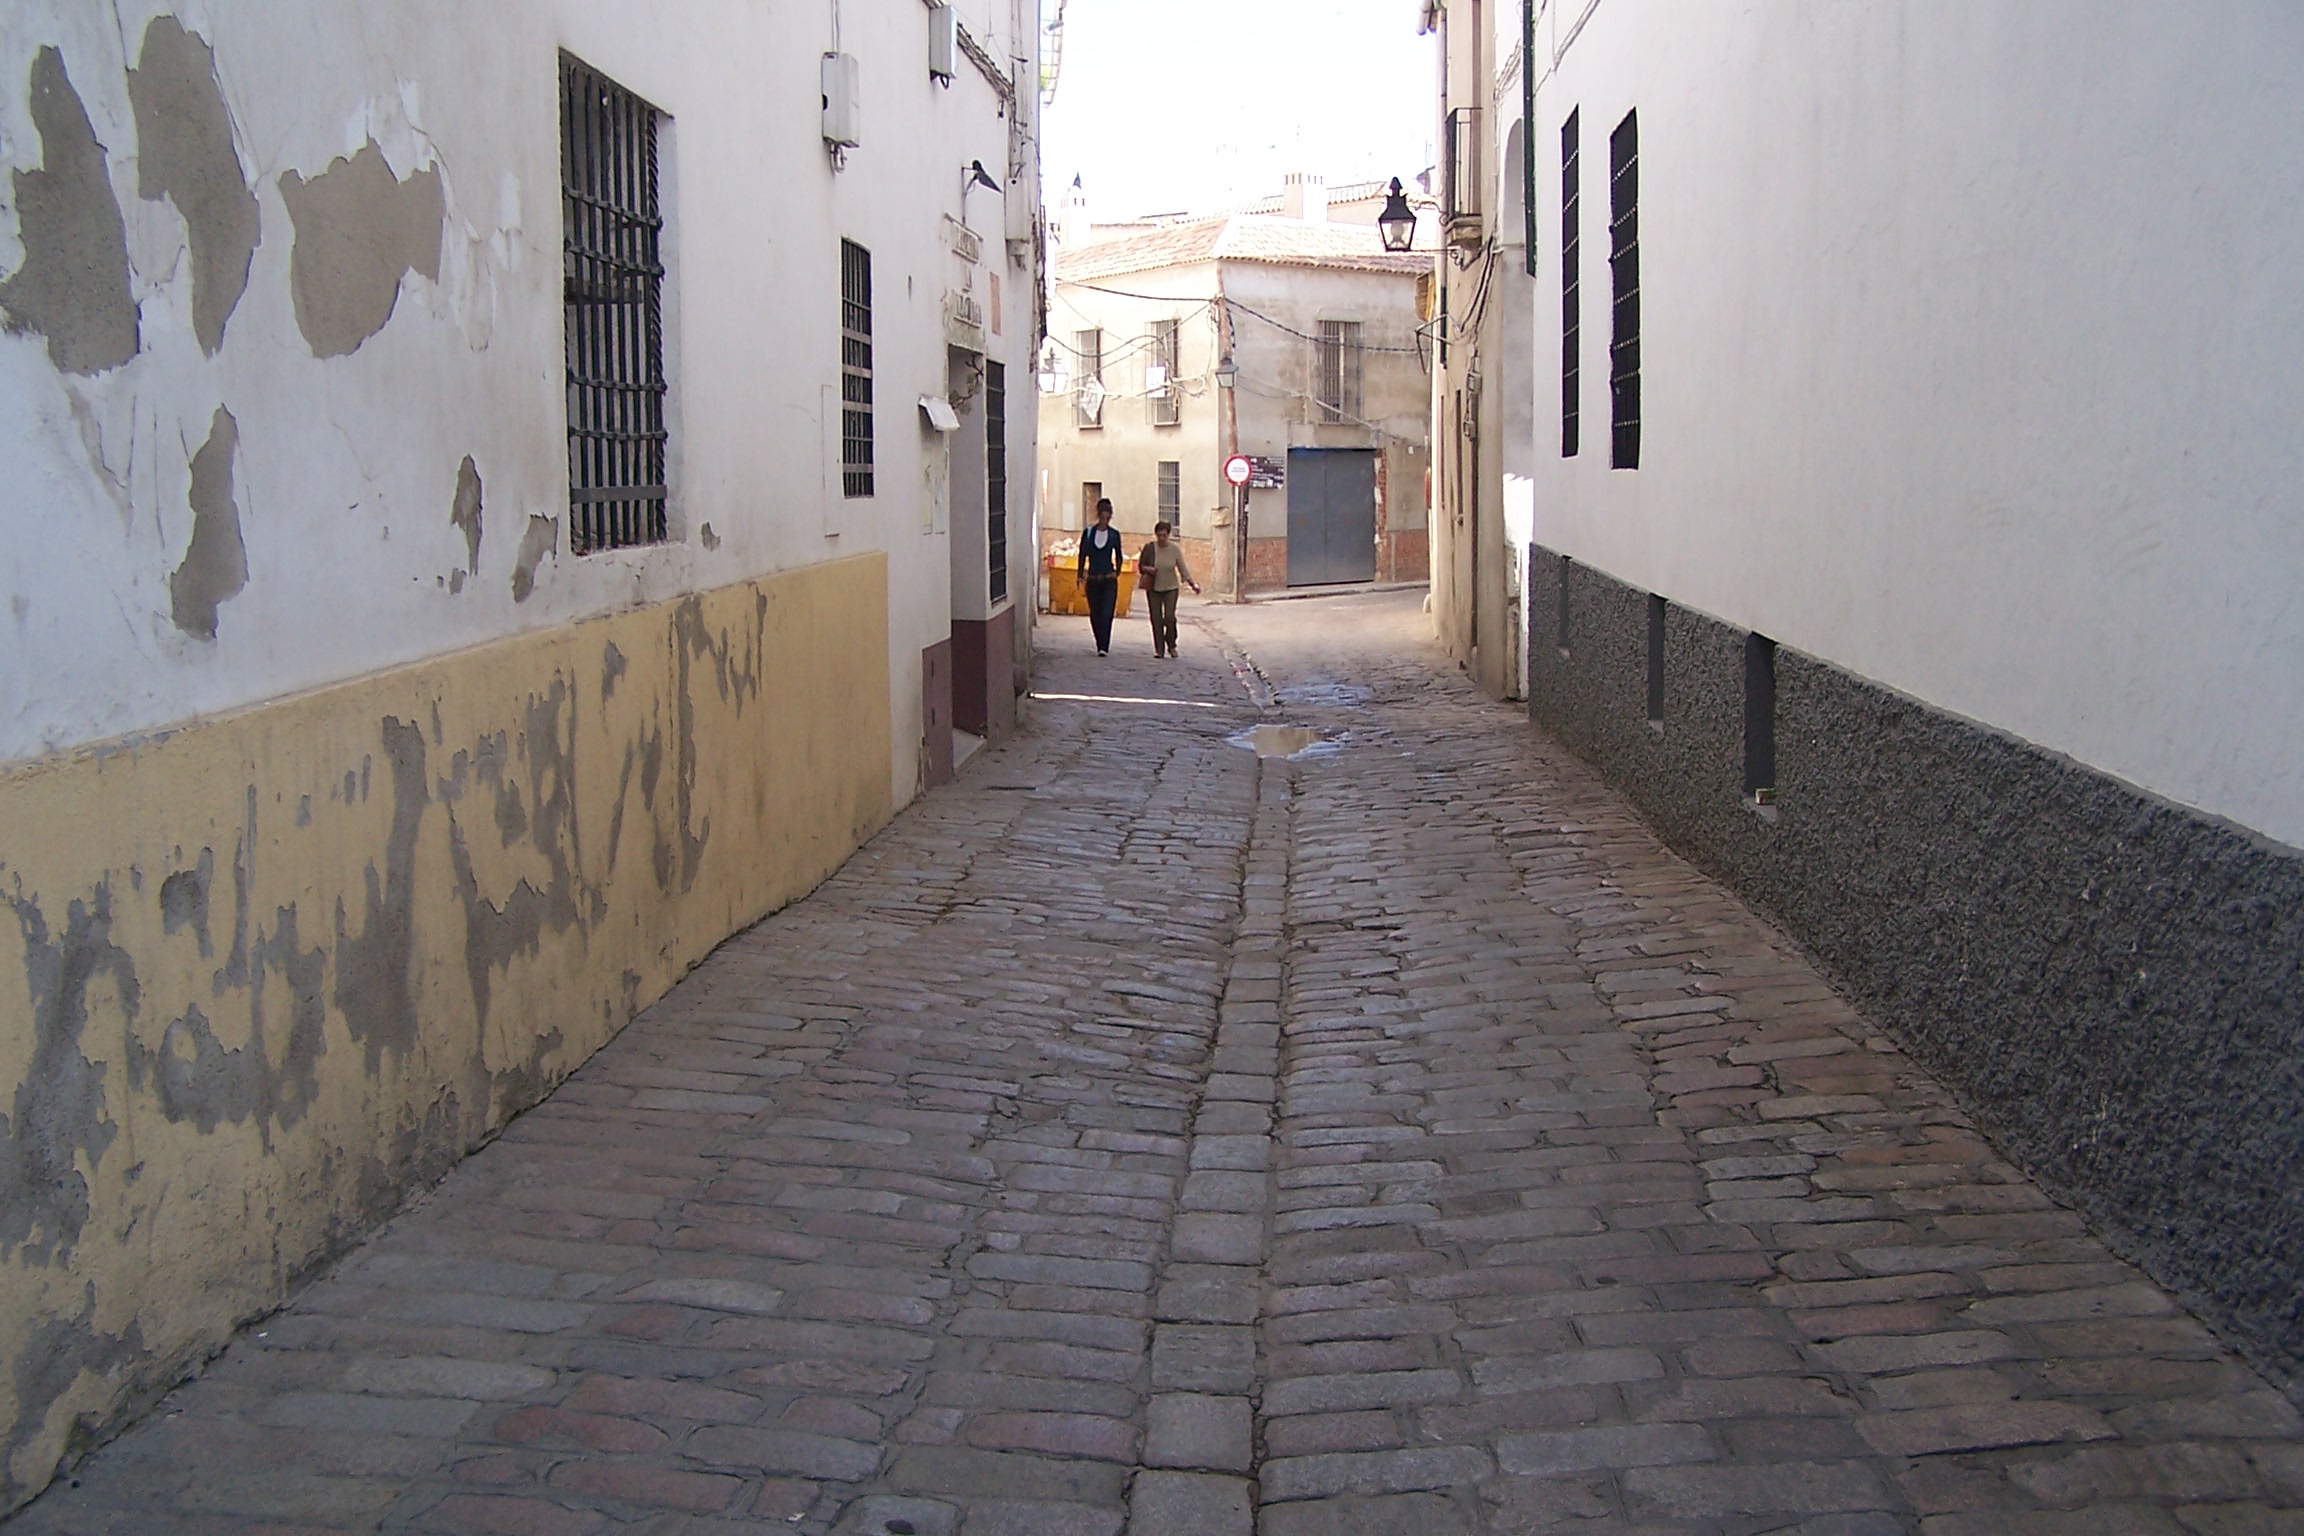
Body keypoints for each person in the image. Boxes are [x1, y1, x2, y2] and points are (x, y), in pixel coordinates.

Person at [1136, 520, 1201, 658]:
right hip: (1154, 587)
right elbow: (1141, 566)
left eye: (1164, 535)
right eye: (1159, 535)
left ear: (1168, 535)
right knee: (1156, 618)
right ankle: (1159, 649)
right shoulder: (1150, 548)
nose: (1161, 538)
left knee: (1169, 617)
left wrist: (1192, 584)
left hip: (1171, 587)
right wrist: (1149, 569)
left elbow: (1182, 568)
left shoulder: (1174, 549)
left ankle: (1171, 643)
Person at [1076, 499, 1124, 656]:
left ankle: (1104, 645)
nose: (1105, 520)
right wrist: (1080, 574)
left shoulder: (1114, 535)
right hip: (1093, 578)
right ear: (1098, 515)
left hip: (1108, 580)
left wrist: (1116, 572)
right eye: (1103, 517)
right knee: (1095, 613)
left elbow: (1119, 555)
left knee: (1106, 612)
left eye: (1108, 517)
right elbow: (1082, 555)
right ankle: (1099, 642)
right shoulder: (1089, 533)